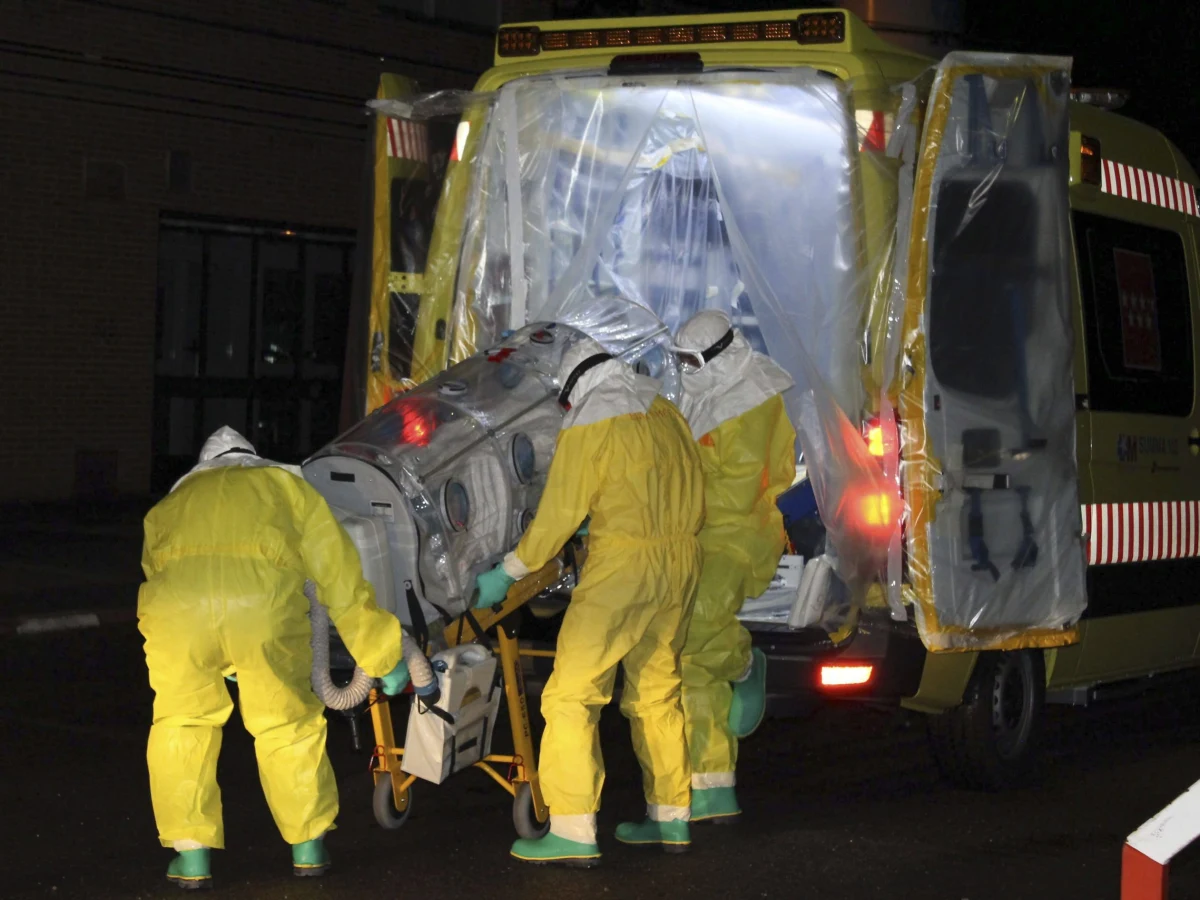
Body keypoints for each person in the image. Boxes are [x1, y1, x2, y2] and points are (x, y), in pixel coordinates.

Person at [137, 427, 410, 890]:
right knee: (286, 724)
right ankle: (307, 846)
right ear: (252, 459)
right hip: (261, 613)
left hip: (176, 618)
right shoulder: (288, 489)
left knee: (181, 724)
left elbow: (159, 572)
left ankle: (191, 856)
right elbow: (340, 582)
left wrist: (222, 655)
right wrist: (382, 656)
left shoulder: (170, 505)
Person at [473, 336, 705, 866]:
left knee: (571, 695)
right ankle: (672, 819)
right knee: (657, 691)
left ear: (575, 385)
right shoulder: (664, 409)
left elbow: (556, 514)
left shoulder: (591, 419)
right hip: (679, 564)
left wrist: (508, 571)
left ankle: (573, 829)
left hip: (622, 570)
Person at [671, 309, 796, 823]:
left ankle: (745, 665)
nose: (683, 370)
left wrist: (673, 500)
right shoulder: (706, 393)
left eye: (691, 361)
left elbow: (738, 491)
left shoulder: (751, 400)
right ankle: (713, 788)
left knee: (698, 624)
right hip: (696, 533)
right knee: (687, 657)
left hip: (741, 536)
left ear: (720, 355)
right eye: (679, 361)